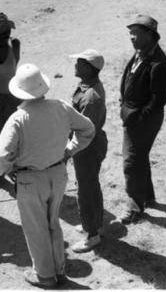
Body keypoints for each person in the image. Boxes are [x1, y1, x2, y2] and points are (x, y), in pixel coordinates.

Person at [0, 63, 95, 288]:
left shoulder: (18, 118)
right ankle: (58, 271)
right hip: (58, 174)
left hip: (30, 180)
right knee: (53, 224)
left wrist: (9, 171)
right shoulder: (60, 107)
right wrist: (69, 150)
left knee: (36, 229)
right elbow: (87, 129)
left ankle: (45, 276)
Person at [118, 14, 166, 224]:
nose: (131, 37)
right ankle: (147, 197)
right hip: (134, 116)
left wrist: (139, 118)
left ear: (150, 35)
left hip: (143, 121)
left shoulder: (159, 63)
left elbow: (158, 100)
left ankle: (134, 207)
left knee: (131, 163)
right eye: (130, 33)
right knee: (139, 157)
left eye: (136, 33)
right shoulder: (140, 53)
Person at [67, 49, 108, 253]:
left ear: (90, 69)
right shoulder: (85, 86)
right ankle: (94, 224)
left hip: (88, 147)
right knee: (90, 185)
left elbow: (85, 132)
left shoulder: (92, 97)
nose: (75, 65)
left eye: (80, 62)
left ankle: (92, 235)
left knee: (86, 190)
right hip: (88, 145)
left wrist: (68, 151)